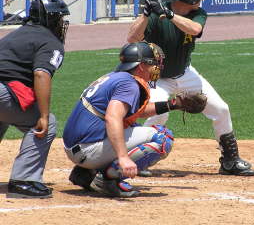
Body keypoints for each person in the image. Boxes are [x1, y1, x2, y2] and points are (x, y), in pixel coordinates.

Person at [127, 0, 254, 177]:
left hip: (185, 73)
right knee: (159, 111)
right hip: (156, 79)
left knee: (221, 109)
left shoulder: (198, 14)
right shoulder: (153, 15)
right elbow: (132, 38)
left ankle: (230, 161)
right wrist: (145, 14)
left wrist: (169, 15)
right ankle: (137, 157)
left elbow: (195, 29)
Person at [63, 41, 178, 198]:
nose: (156, 68)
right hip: (88, 149)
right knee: (163, 138)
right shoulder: (129, 84)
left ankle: (87, 172)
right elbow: (113, 117)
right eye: (152, 63)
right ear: (141, 66)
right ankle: (105, 178)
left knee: (132, 124)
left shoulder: (117, 77)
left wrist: (174, 104)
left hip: (79, 147)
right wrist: (123, 157)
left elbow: (138, 111)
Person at [0, 0, 70, 198]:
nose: (61, 23)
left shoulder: (17, 34)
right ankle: (24, 180)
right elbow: (41, 73)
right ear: (50, 19)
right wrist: (44, 115)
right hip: (3, 93)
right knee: (45, 126)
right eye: (59, 18)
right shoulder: (50, 41)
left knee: (3, 118)